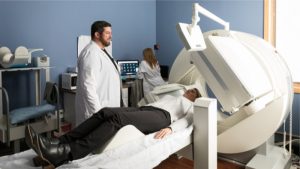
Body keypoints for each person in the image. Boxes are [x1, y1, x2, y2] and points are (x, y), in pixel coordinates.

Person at [25, 88, 201, 168]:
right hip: (148, 109)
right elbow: (155, 94)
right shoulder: (175, 93)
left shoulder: (191, 105)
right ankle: (58, 142)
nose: (189, 91)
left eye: (193, 91)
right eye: (189, 90)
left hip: (163, 118)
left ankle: (65, 153)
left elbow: (188, 120)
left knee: (117, 118)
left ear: (195, 97)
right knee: (105, 111)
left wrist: (171, 129)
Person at [76, 20, 121, 126]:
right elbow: (88, 87)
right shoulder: (91, 53)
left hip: (108, 108)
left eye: (111, 33)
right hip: (97, 112)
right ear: (97, 34)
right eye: (107, 33)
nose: (111, 36)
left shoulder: (102, 52)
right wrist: (100, 114)